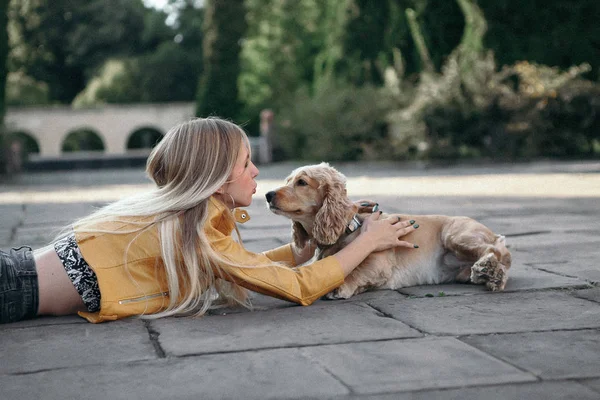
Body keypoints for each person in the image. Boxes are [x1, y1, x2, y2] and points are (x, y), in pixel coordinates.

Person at [0, 117, 418, 324]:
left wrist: (301, 248)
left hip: (17, 271)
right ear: (216, 180)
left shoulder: (192, 219)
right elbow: (297, 289)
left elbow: (248, 265)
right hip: (14, 286)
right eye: (246, 163)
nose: (256, 173)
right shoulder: (197, 231)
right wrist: (368, 242)